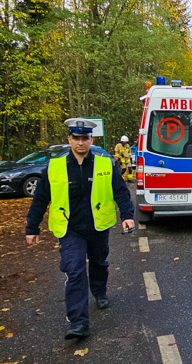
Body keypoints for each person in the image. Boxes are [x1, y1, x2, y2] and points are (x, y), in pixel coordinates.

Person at [25, 118, 135, 340]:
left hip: (97, 227)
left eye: (85, 138)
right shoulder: (55, 167)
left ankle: (100, 292)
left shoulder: (105, 164)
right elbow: (40, 198)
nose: (81, 142)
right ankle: (79, 323)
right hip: (69, 229)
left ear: (90, 139)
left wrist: (127, 215)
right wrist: (32, 226)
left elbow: (121, 191)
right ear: (69, 139)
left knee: (99, 263)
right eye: (76, 138)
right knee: (74, 271)